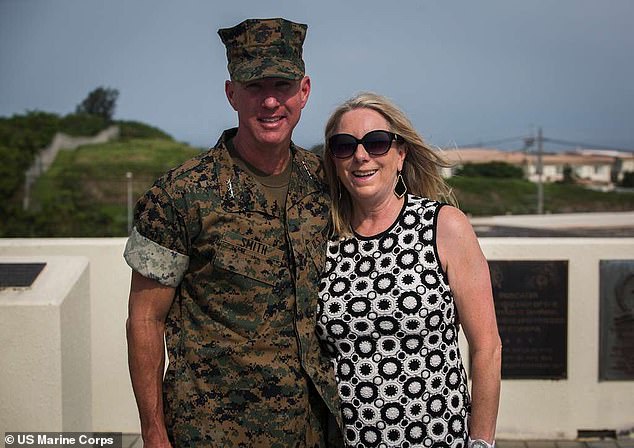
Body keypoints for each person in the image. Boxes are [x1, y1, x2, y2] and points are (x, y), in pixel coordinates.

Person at [124, 18, 342, 447]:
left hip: (316, 428)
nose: (270, 101)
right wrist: (153, 431)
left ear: (305, 91)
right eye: (254, 87)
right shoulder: (181, 194)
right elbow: (144, 320)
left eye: (282, 85)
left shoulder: (326, 183)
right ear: (231, 94)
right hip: (215, 432)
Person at [316, 92, 501, 448]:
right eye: (344, 145)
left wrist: (481, 443)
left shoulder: (444, 226)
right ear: (334, 160)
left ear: (400, 154)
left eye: (377, 143)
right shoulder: (323, 238)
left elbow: (487, 347)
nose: (360, 155)